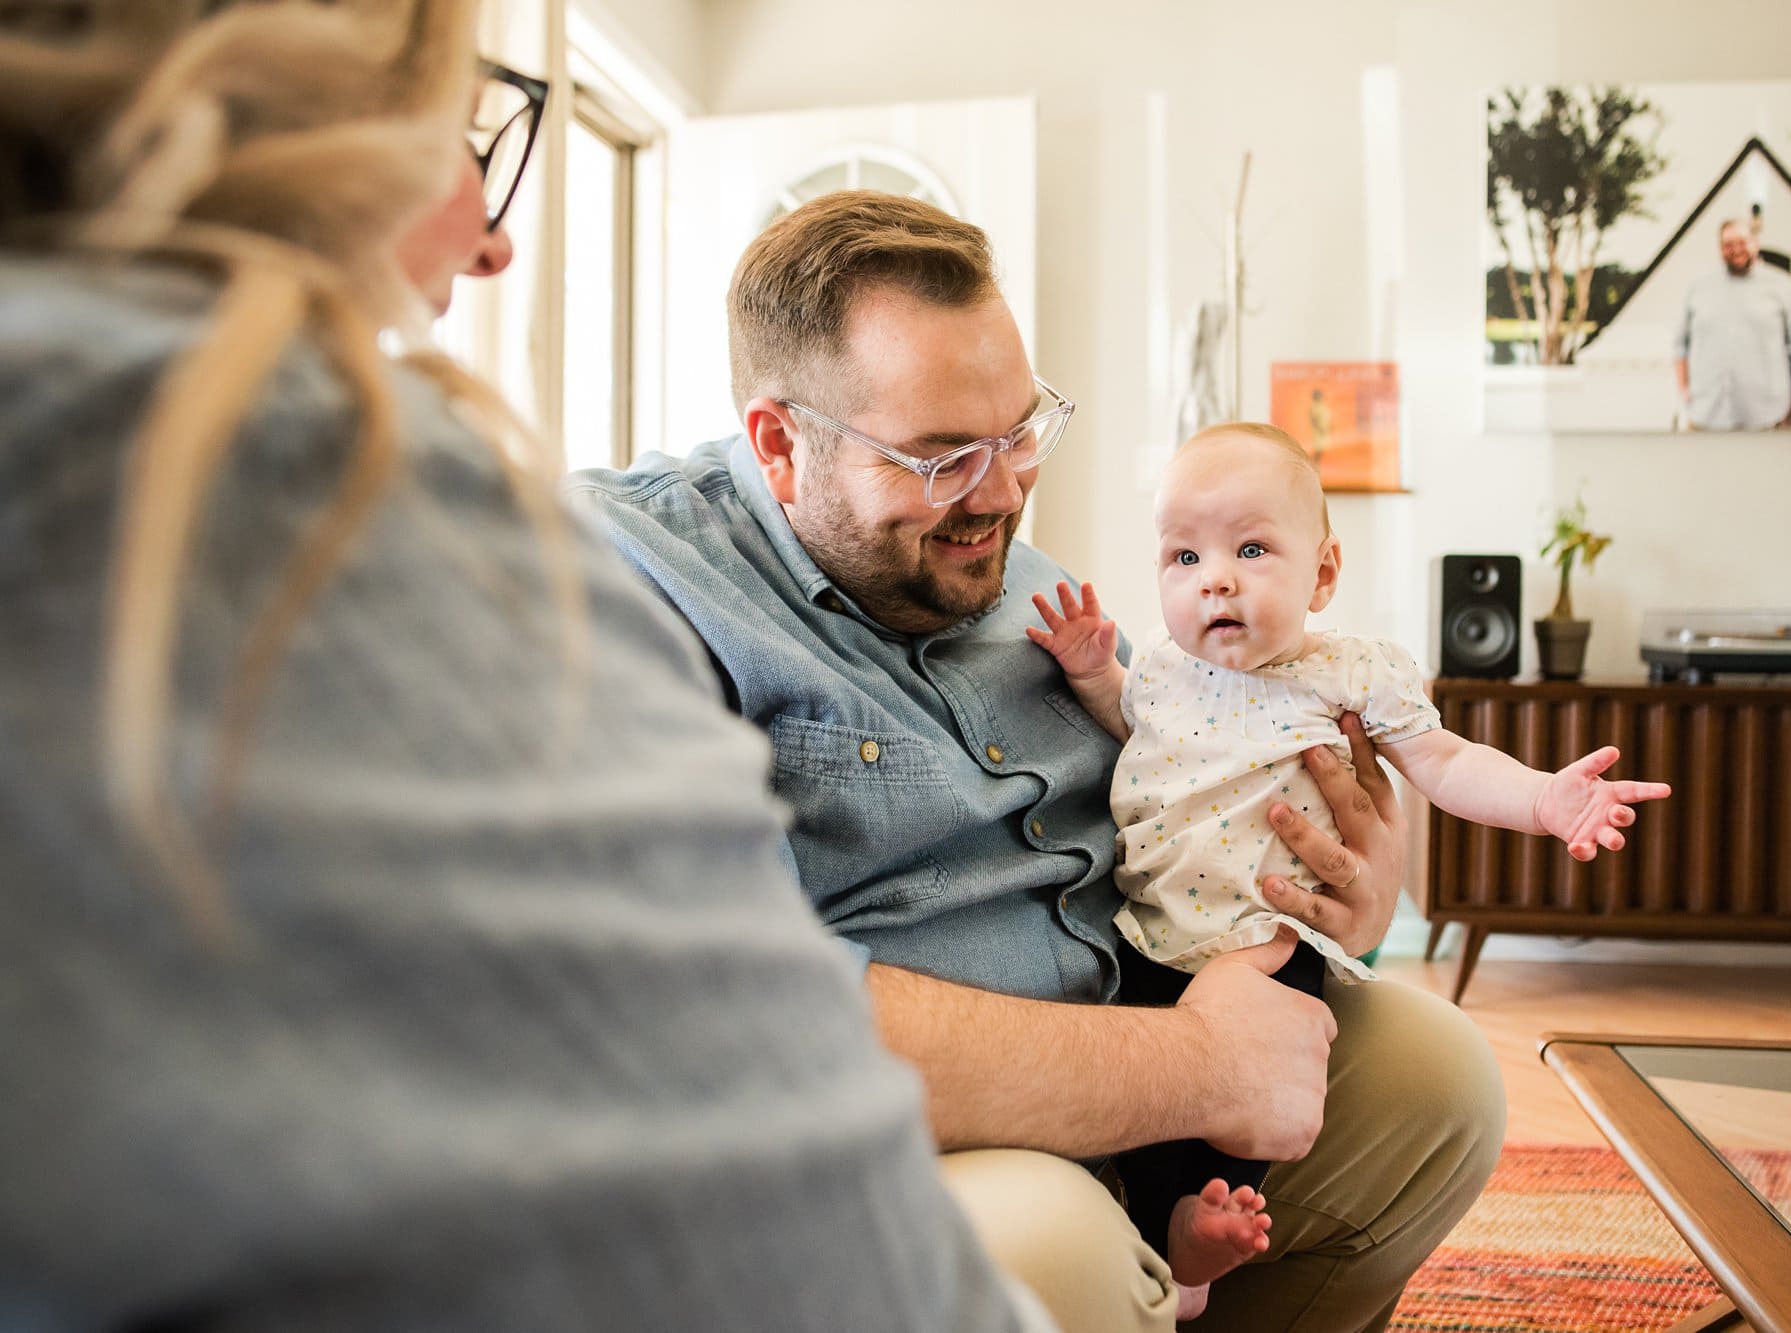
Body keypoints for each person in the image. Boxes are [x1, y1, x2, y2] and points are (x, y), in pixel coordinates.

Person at [0, 5, 1047, 1330]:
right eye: (462, 130)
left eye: (1017, 436)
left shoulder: (1046, 590)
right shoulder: (403, 528)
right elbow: (862, 1266)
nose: (492, 245)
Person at [565, 189, 1509, 1333]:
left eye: (1018, 431)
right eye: (944, 454)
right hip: (890, 1139)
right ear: (779, 442)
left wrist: (1335, 900)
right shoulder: (626, 581)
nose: (1004, 492)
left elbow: (1178, 791)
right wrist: (1194, 1065)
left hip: (1150, 1034)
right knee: (1047, 1249)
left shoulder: (995, 557)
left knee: (1435, 1086)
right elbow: (710, 1006)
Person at [1025, 422, 1669, 1313]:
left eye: (1252, 548)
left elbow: (1443, 761)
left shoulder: (1347, 674)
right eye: (1184, 555)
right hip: (1150, 927)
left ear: (1323, 573)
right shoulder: (1165, 668)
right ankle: (1164, 1230)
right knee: (1140, 1098)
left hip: (1266, 939)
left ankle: (1200, 1236)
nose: (1216, 575)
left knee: (1251, 1092)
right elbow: (1139, 743)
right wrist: (1097, 675)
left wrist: (1543, 800)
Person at [1674, 218, 1791, 430]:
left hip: (1767, 417)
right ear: (1720, 248)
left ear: (1756, 243)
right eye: (1728, 245)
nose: (1736, 250)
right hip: (1707, 414)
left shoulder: (1782, 286)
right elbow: (1680, 344)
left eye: (1742, 242)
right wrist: (1684, 389)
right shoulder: (1698, 287)